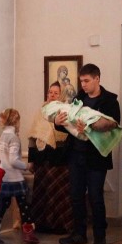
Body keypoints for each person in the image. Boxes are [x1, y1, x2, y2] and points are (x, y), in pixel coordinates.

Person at [55, 63, 120, 244]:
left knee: (95, 196)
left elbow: (113, 124)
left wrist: (91, 127)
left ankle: (100, 236)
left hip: (96, 156)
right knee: (76, 195)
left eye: (86, 81)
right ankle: (79, 233)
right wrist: (58, 122)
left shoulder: (109, 101)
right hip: (76, 154)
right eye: (81, 81)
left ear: (97, 79)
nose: (83, 84)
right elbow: (69, 122)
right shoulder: (79, 99)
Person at [28, 82, 73, 234]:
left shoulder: (65, 110)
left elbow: (69, 134)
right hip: (42, 158)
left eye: (55, 93)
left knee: (58, 193)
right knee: (43, 192)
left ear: (61, 95)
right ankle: (41, 224)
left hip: (60, 158)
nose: (52, 95)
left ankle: (60, 225)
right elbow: (33, 136)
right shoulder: (41, 111)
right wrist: (31, 160)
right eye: (50, 92)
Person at [0, 108, 39, 244]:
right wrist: (26, 166)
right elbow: (14, 160)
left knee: (2, 207)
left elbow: (2, 158)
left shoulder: (3, 136)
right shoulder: (14, 138)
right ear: (16, 121)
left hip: (4, 176)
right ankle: (28, 234)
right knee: (24, 207)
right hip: (15, 178)